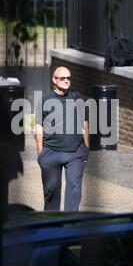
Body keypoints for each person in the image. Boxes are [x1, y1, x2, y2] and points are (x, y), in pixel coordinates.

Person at [35, 66, 89, 211]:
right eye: (63, 78)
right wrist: (41, 153)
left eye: (68, 78)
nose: (66, 81)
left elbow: (84, 123)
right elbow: (39, 127)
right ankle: (52, 224)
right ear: (54, 79)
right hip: (51, 151)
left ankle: (70, 223)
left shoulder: (77, 98)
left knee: (74, 190)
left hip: (75, 152)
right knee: (51, 193)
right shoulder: (45, 99)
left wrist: (86, 147)